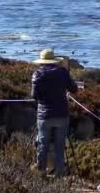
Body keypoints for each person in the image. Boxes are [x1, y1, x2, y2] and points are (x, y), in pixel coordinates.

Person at [31, 48, 78, 177]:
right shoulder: (62, 72)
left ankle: (41, 172)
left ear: (42, 61)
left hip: (44, 116)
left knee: (42, 144)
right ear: (54, 60)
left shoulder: (37, 74)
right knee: (60, 145)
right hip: (61, 114)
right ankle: (59, 174)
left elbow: (34, 95)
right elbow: (74, 89)